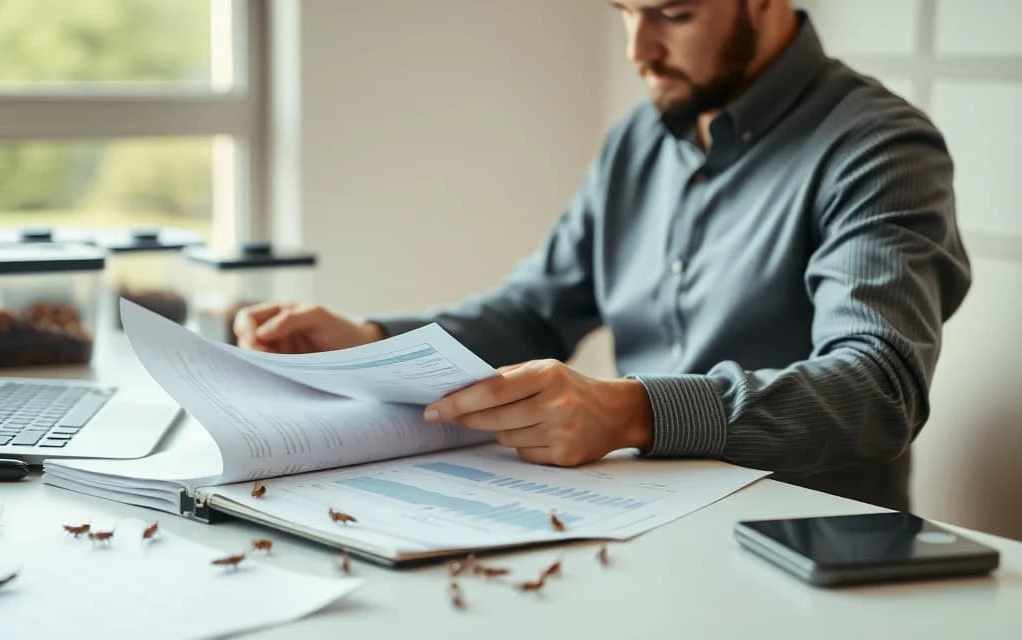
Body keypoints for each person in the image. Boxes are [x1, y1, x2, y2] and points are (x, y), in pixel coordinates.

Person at [233, 0, 971, 512]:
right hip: (635, 522)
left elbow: (877, 389)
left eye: (674, 15)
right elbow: (534, 311)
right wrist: (369, 342)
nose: (637, 50)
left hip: (805, 550)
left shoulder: (880, 150)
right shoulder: (638, 140)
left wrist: (629, 411)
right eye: (623, 11)